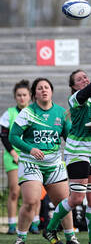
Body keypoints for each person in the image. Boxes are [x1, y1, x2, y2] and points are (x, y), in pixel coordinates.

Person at [45, 58, 91, 244]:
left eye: (85, 77)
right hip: (77, 152)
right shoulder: (76, 99)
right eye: (79, 79)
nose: (84, 80)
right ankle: (50, 229)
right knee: (77, 198)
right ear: (73, 86)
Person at [9, 78, 78, 244]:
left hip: (54, 164)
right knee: (31, 201)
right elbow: (13, 136)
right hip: (30, 162)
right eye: (39, 88)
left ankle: (71, 237)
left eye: (47, 87)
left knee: (64, 203)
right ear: (34, 94)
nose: (44, 90)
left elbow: (69, 138)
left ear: (52, 91)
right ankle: (21, 238)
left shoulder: (61, 113)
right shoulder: (27, 112)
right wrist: (30, 149)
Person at [0, 80, 31, 235]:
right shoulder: (9, 113)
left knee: (33, 193)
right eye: (19, 95)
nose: (22, 98)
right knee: (14, 191)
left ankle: (34, 222)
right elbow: (4, 136)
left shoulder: (35, 112)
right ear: (15, 97)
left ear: (30, 96)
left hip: (31, 156)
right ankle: (12, 225)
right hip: (13, 156)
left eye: (24, 95)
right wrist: (14, 154)